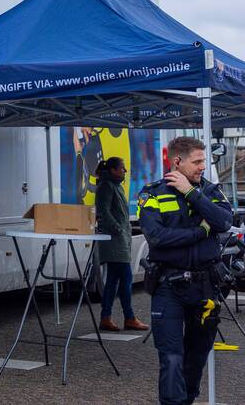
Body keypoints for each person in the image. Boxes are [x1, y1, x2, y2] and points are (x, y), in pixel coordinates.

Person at [139, 136, 232, 405]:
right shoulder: (152, 192)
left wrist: (192, 193)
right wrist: (200, 231)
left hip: (205, 287)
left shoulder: (211, 191)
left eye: (203, 160)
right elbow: (157, 238)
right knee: (170, 358)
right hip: (168, 287)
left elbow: (224, 222)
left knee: (195, 360)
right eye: (197, 161)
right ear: (176, 162)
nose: (203, 166)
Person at [95, 156, 149, 332]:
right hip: (115, 241)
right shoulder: (106, 186)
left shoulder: (113, 185)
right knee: (125, 278)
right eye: (122, 168)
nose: (125, 171)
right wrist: (118, 229)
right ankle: (129, 317)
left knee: (113, 280)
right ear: (113, 170)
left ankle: (107, 317)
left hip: (119, 239)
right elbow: (103, 210)